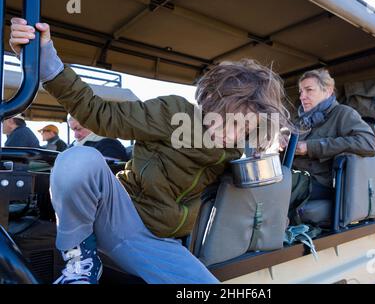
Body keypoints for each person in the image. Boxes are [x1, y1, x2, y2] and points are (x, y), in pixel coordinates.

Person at [9, 18, 292, 284]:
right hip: (118, 211)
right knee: (77, 159)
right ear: (212, 102)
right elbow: (98, 113)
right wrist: (44, 59)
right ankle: (79, 261)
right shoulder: (174, 113)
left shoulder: (235, 152)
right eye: (228, 116)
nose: (232, 132)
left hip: (153, 241)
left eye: (243, 125)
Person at [283, 69, 375, 225]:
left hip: (322, 182)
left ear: (327, 91)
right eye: (301, 92)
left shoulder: (342, 113)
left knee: (276, 189)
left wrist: (311, 147)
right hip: (296, 178)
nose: (302, 97)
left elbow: (369, 143)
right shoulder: (300, 121)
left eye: (309, 90)